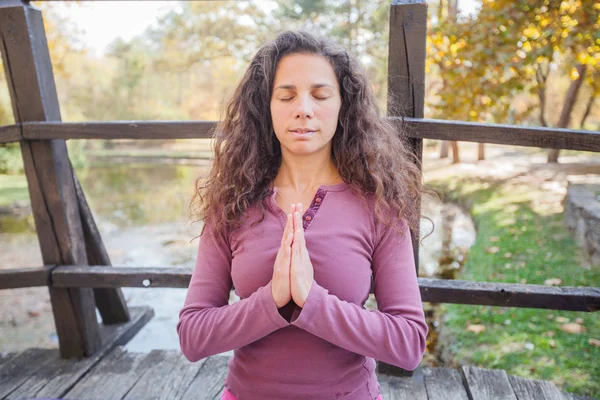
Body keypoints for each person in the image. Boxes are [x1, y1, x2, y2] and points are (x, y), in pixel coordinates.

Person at [177, 30, 433, 400]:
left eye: (320, 94)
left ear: (343, 105)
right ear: (266, 106)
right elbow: (193, 336)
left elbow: (408, 345)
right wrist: (272, 300)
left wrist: (313, 303)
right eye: (286, 95)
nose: (303, 109)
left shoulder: (379, 206)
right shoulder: (232, 203)